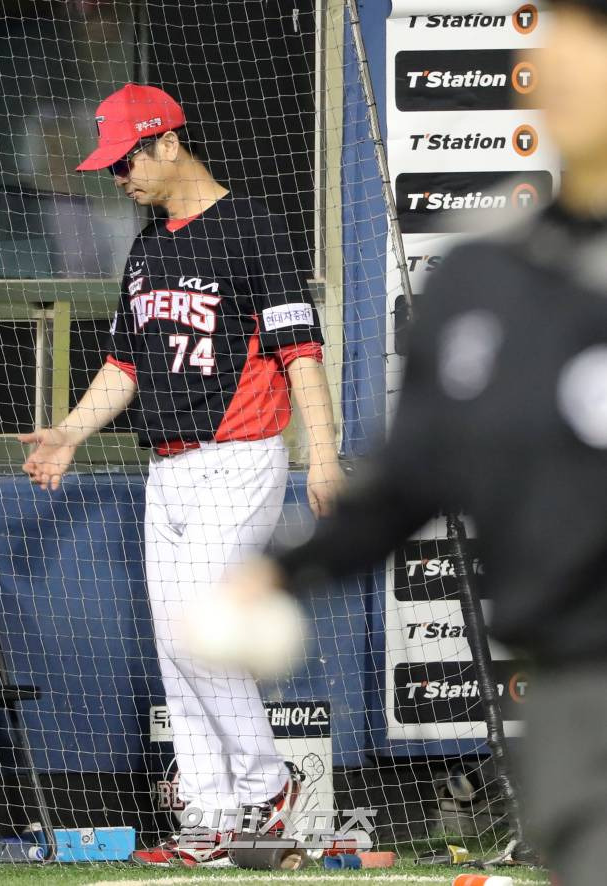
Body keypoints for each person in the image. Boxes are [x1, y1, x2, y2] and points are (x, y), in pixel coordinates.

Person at [213, 2, 607, 883]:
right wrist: (285, 569)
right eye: (557, 56)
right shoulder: (485, 284)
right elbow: (412, 476)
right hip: (582, 692)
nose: (571, 74)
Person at [19, 83, 343, 867]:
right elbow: (126, 365)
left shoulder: (254, 230)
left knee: (198, 635)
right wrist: (67, 431)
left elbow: (302, 352)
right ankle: (211, 812)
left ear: (167, 142)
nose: (116, 178)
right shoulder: (149, 246)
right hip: (165, 470)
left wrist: (325, 453)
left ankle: (271, 790)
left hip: (238, 459)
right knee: (174, 646)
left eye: (123, 160)